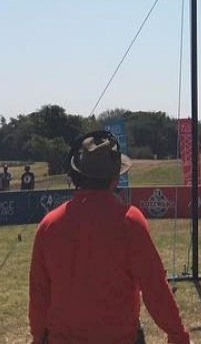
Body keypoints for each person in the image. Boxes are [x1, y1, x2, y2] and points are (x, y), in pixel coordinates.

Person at [29, 131, 190, 344]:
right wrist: (178, 335)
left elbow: (39, 293)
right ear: (115, 177)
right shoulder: (130, 221)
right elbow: (155, 288)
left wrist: (38, 337)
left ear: (77, 174)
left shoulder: (49, 225)